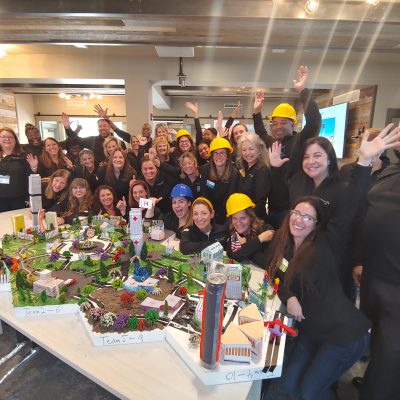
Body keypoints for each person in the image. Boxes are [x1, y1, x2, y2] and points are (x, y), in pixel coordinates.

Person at [265, 124, 400, 400]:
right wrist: (288, 295)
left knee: (309, 390)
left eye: (307, 217)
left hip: (340, 329)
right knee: (291, 387)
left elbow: (350, 210)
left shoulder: (325, 242)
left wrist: (363, 162)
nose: (299, 219)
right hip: (311, 327)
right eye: (295, 213)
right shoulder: (287, 246)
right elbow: (276, 274)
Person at [357, 126, 400, 400]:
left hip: (396, 285)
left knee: (390, 356)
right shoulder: (390, 170)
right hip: (373, 275)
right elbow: (362, 207)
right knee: (377, 343)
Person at [253, 66, 321, 228]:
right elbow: (261, 132)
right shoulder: (272, 142)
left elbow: (314, 121)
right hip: (274, 210)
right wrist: (256, 112)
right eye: (275, 123)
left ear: (293, 124)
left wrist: (303, 91)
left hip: (294, 209)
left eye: (283, 122)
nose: (278, 127)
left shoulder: (301, 140)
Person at [61, 104, 131, 167]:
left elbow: (125, 159)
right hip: (97, 175)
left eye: (105, 126)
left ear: (110, 127)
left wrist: (106, 117)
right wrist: (68, 128)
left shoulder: (120, 143)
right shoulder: (92, 140)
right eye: (100, 126)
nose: (102, 128)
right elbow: (75, 139)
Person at [225, 193, 274, 267]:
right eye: (234, 218)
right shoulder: (234, 233)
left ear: (251, 217)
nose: (238, 223)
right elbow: (232, 256)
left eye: (243, 218)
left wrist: (244, 248)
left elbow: (270, 262)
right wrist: (259, 240)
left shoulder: (266, 230)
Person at [199, 137, 239, 225]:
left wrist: (221, 218)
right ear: (212, 156)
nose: (218, 156)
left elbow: (230, 197)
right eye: (215, 153)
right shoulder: (205, 170)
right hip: (210, 212)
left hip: (227, 213)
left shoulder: (234, 173)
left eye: (222, 153)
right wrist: (210, 214)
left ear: (227, 156)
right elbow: (204, 193)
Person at [0, 126, 36, 211]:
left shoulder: (24, 155)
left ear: (15, 140)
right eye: (4, 137)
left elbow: (31, 176)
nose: (7, 139)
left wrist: (34, 167)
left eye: (10, 137)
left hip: (19, 198)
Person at [236, 133, 271, 220]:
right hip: (242, 217)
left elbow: (260, 202)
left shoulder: (262, 170)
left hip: (255, 219)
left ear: (259, 150)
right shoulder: (245, 168)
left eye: (251, 149)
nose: (247, 153)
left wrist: (248, 218)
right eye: (244, 150)